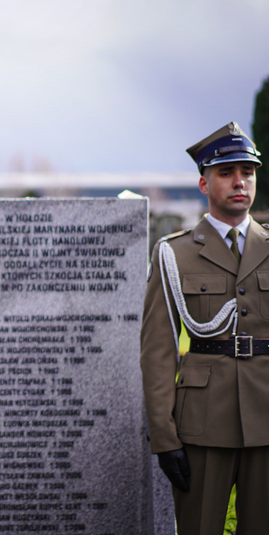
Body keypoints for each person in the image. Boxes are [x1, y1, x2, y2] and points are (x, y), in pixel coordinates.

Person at [141, 122, 269, 534]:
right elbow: (158, 352)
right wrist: (164, 437)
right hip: (202, 423)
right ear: (203, 183)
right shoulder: (174, 254)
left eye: (247, 172)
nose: (239, 182)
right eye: (226, 173)